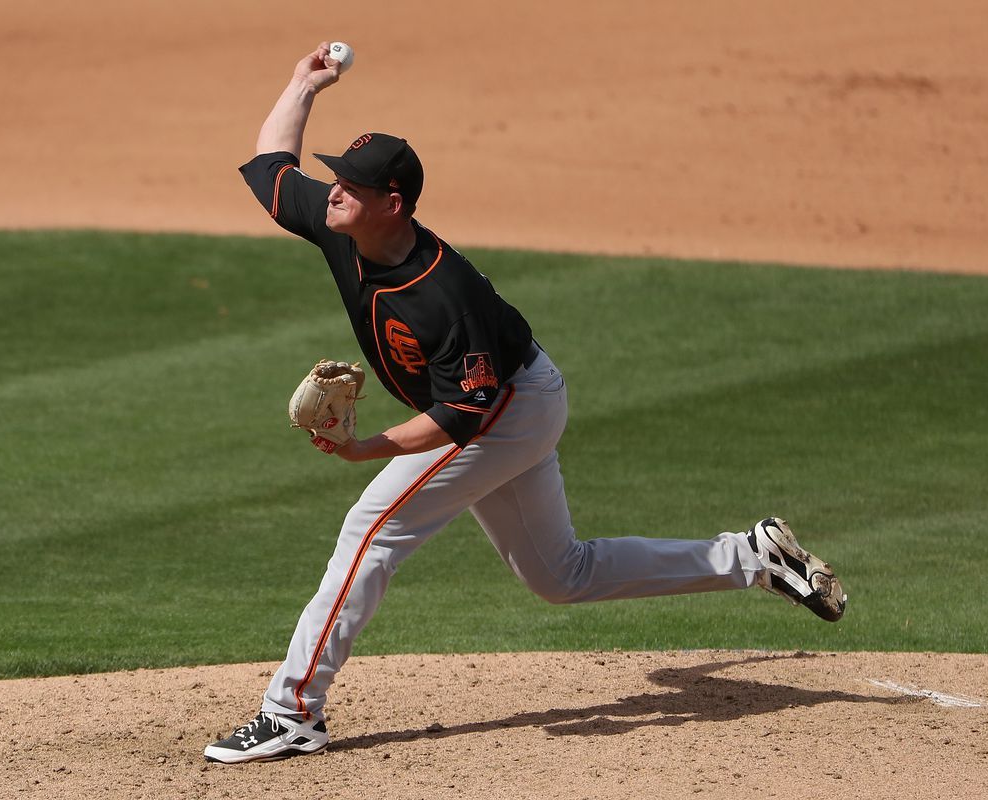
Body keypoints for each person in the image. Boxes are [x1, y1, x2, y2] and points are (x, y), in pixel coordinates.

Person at [203, 42, 847, 765]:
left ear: (392, 202)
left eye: (351, 184)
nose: (334, 191)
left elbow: (460, 418)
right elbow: (269, 167)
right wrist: (302, 85)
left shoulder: (443, 296)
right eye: (336, 179)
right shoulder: (337, 219)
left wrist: (367, 447)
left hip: (508, 409)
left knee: (371, 527)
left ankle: (292, 711)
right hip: (510, 400)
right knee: (559, 575)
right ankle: (755, 556)